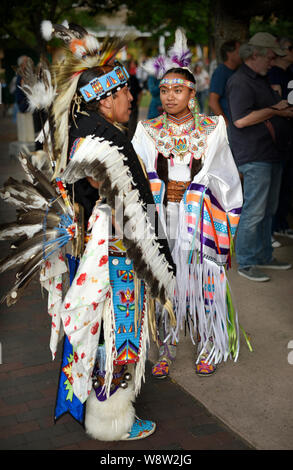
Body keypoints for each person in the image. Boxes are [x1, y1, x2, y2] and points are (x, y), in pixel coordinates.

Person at [0, 21, 176, 442]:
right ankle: (112, 420)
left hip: (96, 247)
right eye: (125, 93)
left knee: (102, 330)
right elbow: (133, 213)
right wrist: (162, 264)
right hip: (116, 252)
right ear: (105, 100)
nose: (132, 98)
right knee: (120, 333)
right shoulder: (107, 142)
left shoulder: (85, 133)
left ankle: (99, 408)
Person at [132, 28, 245, 378]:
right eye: (164, 90)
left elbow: (224, 175)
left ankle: (209, 343)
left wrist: (196, 191)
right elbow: (138, 176)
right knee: (165, 282)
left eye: (177, 90)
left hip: (201, 219)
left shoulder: (213, 127)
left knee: (204, 284)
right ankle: (166, 344)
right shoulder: (147, 129)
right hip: (161, 215)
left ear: (192, 94)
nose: (168, 96)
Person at [226, 32, 293, 282]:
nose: (273, 61)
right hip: (256, 154)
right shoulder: (241, 81)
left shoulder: (259, 79)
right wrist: (274, 110)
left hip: (269, 152)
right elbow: (240, 120)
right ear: (256, 54)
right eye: (271, 56)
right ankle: (247, 261)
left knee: (267, 209)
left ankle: (263, 255)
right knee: (255, 210)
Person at [268, 37, 293, 242]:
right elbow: (277, 104)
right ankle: (272, 228)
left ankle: (280, 224)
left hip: (288, 136)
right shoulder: (273, 73)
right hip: (277, 136)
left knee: (286, 183)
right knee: (275, 185)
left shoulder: (289, 72)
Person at [209, 40, 241, 125]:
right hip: (229, 125)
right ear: (229, 53)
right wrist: (226, 124)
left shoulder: (238, 71)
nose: (241, 54)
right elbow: (213, 102)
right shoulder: (221, 72)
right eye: (238, 51)